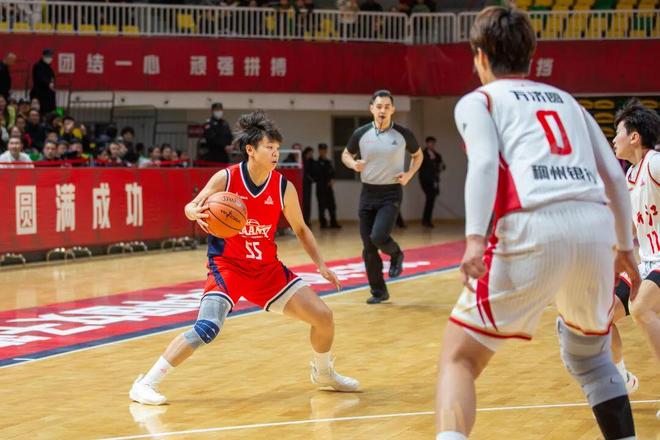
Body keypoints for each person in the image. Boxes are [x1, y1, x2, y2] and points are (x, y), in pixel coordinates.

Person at [434, 7, 641, 440]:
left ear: (480, 57)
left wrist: (474, 240)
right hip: (595, 231)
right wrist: (625, 246)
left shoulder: (480, 100)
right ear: (530, 56)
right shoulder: (569, 102)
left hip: (533, 224)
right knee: (592, 358)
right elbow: (613, 177)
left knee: (459, 358)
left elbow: (484, 164)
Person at [129, 110, 359, 406]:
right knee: (207, 327)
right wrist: (193, 211)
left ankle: (324, 373)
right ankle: (146, 383)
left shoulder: (282, 186)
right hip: (228, 267)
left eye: (277, 148)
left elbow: (301, 229)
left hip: (266, 270)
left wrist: (321, 265)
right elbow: (192, 205)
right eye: (269, 148)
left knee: (324, 317)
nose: (275, 154)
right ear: (251, 150)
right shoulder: (226, 178)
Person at [342, 90, 423, 304]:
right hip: (367, 193)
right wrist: (354, 164)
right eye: (379, 106)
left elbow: (418, 156)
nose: (382, 110)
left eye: (387, 107)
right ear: (372, 109)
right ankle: (379, 291)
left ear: (392, 110)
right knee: (369, 248)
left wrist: (409, 174)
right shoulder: (361, 133)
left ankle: (396, 254)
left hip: (390, 193)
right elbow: (346, 154)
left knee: (378, 237)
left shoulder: (403, 134)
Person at [610, 98, 660, 385]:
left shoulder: (655, 163)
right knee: (599, 317)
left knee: (641, 308)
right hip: (648, 263)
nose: (613, 139)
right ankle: (623, 380)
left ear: (634, 137)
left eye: (618, 132)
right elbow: (629, 228)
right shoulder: (631, 174)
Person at [419, 136, 445, 228]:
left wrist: (440, 167)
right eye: (430, 143)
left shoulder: (437, 155)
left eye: (433, 143)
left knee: (431, 199)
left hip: (434, 180)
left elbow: (442, 166)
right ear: (427, 143)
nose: (432, 145)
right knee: (430, 198)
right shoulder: (422, 154)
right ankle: (426, 220)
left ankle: (426, 220)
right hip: (425, 180)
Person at [315, 143, 341, 229]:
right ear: (319, 151)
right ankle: (323, 223)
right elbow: (317, 175)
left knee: (332, 205)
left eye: (325, 150)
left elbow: (332, 173)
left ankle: (333, 222)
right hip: (320, 187)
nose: (323, 151)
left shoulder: (328, 162)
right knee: (321, 206)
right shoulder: (317, 162)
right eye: (321, 150)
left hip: (329, 187)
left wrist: (332, 179)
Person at [30, 49, 56, 115]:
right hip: (40, 95)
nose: (50, 58)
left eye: (51, 56)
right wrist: (48, 83)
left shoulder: (49, 68)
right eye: (48, 56)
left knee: (50, 113)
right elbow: (40, 78)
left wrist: (52, 83)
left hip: (49, 96)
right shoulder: (38, 66)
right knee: (39, 113)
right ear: (43, 56)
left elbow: (52, 78)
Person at [302, 146, 315, 226]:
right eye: (310, 153)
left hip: (308, 185)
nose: (311, 155)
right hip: (301, 185)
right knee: (302, 203)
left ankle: (307, 220)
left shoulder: (311, 161)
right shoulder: (301, 160)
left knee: (307, 203)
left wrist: (312, 178)